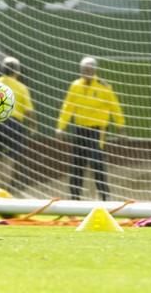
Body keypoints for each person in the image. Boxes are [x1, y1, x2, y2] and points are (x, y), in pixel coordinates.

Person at [55, 56, 124, 201]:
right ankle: (74, 198)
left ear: (94, 70)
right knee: (77, 163)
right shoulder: (75, 85)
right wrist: (61, 127)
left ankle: (105, 197)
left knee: (97, 162)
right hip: (80, 129)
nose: (86, 71)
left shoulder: (104, 87)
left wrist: (120, 125)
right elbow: (67, 107)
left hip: (97, 131)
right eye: (84, 69)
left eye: (89, 69)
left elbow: (114, 107)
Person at [0, 56, 36, 194]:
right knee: (10, 158)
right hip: (14, 124)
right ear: (17, 71)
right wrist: (33, 126)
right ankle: (3, 189)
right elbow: (29, 111)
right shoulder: (21, 87)